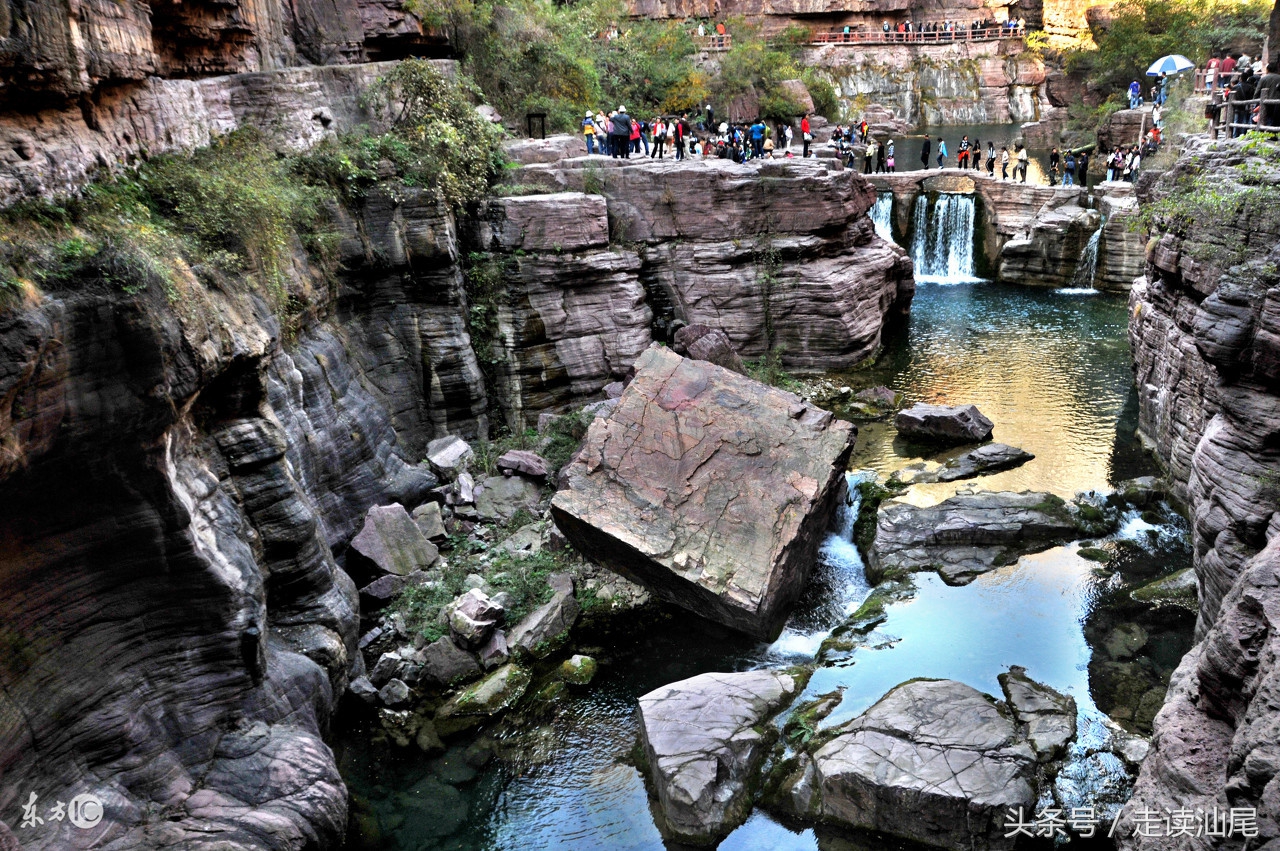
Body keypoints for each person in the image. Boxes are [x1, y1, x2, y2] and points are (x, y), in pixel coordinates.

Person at [1259, 60, 1280, 131]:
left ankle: (1264, 133)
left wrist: (1255, 102)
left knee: (1265, 118)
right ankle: (1273, 134)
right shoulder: (1279, 78)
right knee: (1275, 119)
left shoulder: (1264, 79)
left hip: (1266, 102)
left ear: (1268, 69)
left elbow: (1257, 91)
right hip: (1277, 102)